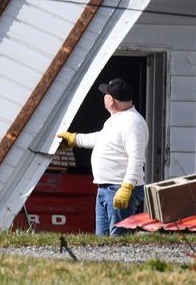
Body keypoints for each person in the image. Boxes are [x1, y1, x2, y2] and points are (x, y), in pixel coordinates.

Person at [56, 78, 147, 236]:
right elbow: (101, 139)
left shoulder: (132, 123)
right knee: (102, 242)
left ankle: (119, 262)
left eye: (105, 94)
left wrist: (126, 187)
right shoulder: (117, 119)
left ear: (111, 100)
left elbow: (136, 158)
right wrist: (74, 139)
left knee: (119, 239)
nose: (104, 97)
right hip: (107, 188)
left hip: (119, 189)